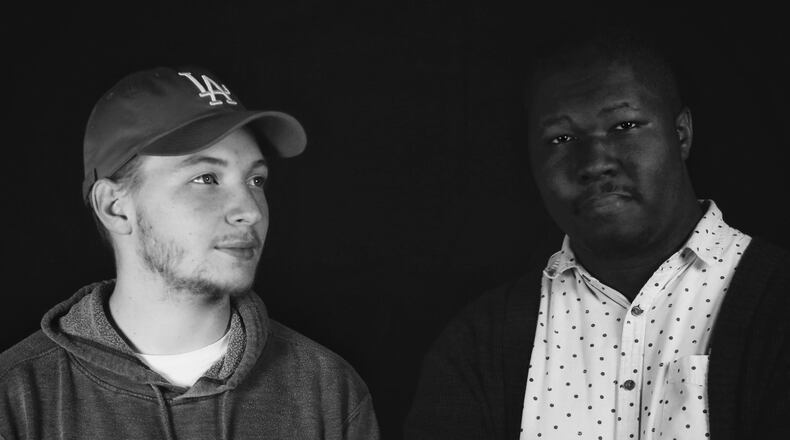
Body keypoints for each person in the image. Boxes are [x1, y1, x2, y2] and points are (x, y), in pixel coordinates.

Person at [404, 26, 789, 439]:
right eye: (562, 137)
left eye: (624, 125)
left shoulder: (777, 304)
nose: (593, 162)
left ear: (681, 134)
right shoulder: (479, 344)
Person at [0, 66, 379, 439]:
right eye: (206, 178)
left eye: (256, 180)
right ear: (115, 207)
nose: (250, 210)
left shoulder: (328, 391)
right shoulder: (17, 398)